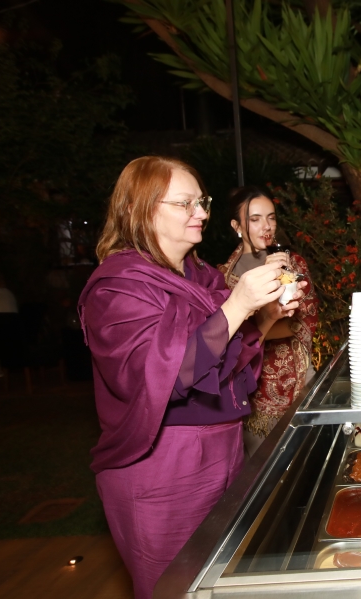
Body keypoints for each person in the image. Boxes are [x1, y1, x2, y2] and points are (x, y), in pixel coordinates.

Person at [77, 156, 305, 599]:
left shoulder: (199, 276)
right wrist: (238, 306)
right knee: (174, 589)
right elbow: (160, 376)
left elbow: (225, 363)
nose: (201, 213)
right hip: (163, 463)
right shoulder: (117, 286)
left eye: (201, 202)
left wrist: (263, 319)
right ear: (142, 210)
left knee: (224, 586)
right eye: (185, 204)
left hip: (225, 449)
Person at [217, 186, 319, 457]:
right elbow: (222, 338)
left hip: (299, 384)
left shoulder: (293, 264)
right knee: (262, 479)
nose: (266, 226)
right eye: (255, 219)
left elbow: (303, 321)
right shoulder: (223, 277)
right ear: (237, 226)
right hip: (251, 394)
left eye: (271, 217)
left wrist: (252, 327)